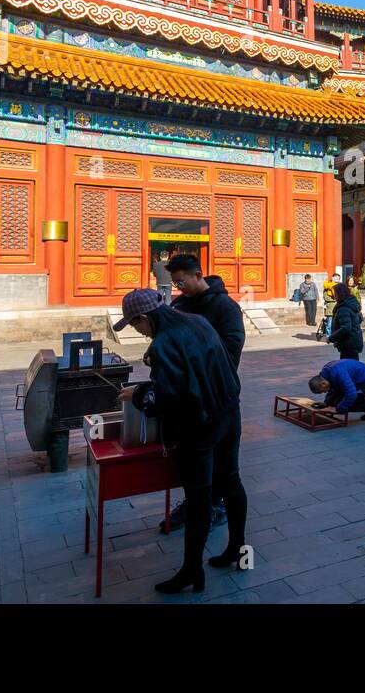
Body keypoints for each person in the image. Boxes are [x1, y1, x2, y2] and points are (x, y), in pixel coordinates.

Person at [114, 289, 247, 595]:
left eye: (135, 325)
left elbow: (170, 397)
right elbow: (202, 369)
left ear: (145, 318)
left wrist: (137, 394)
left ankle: (191, 571)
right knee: (231, 481)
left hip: (199, 427)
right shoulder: (198, 322)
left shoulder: (164, 342)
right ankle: (238, 551)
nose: (137, 331)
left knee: (199, 498)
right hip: (228, 411)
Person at [163, 253, 246, 535]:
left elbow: (229, 354)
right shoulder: (179, 305)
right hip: (187, 402)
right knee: (193, 466)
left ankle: (218, 507)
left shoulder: (226, 309)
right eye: (175, 283)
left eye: (182, 281)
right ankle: (197, 505)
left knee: (225, 467)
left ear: (199, 275)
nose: (178, 288)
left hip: (219, 399)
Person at [308, 358, 365, 423]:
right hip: (360, 383)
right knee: (336, 402)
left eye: (322, 391)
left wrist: (338, 410)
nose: (325, 392)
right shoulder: (326, 373)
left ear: (323, 384)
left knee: (345, 404)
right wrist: (326, 404)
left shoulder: (338, 373)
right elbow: (334, 390)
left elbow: (351, 395)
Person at [327, 276, 364, 360]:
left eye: (335, 293)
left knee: (348, 367)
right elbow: (360, 319)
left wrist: (331, 338)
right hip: (353, 341)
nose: (334, 295)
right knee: (352, 366)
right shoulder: (351, 304)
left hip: (348, 343)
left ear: (340, 293)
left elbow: (346, 328)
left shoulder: (343, 308)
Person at [317, 273, 341, 341]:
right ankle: (329, 336)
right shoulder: (327, 287)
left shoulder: (340, 286)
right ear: (332, 278)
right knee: (329, 323)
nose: (337, 279)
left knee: (336, 323)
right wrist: (334, 299)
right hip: (330, 308)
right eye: (335, 278)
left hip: (338, 308)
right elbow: (325, 297)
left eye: (338, 278)